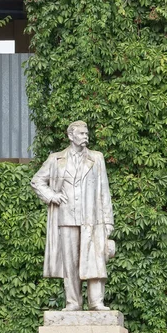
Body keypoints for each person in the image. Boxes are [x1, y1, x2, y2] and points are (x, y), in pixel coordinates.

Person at [31, 120, 114, 311]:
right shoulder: (56, 159)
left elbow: (104, 191)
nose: (86, 136)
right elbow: (37, 181)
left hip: (91, 219)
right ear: (71, 136)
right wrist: (52, 196)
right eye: (82, 133)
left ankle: (96, 302)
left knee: (95, 260)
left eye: (87, 133)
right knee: (70, 264)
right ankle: (73, 303)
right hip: (66, 219)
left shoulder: (96, 158)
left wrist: (108, 221)